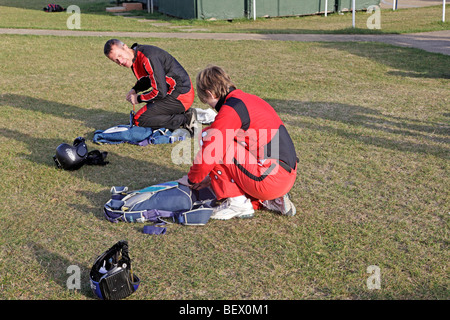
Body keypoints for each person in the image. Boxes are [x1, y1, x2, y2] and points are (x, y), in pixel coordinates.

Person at [185, 65, 298, 220]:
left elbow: (211, 151)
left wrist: (192, 179)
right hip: (286, 174)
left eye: (207, 102)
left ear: (210, 93)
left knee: (208, 136)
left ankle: (238, 203)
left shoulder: (232, 109)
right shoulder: (249, 99)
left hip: (272, 179)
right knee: (227, 139)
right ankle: (272, 198)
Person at [104, 39, 197, 134]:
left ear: (125, 47)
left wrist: (138, 98)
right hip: (173, 92)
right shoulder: (136, 56)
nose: (120, 61)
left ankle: (185, 119)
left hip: (181, 95)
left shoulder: (147, 57)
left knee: (140, 119)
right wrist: (135, 90)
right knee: (145, 115)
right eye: (115, 60)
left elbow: (160, 92)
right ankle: (180, 114)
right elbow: (148, 79)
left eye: (119, 56)